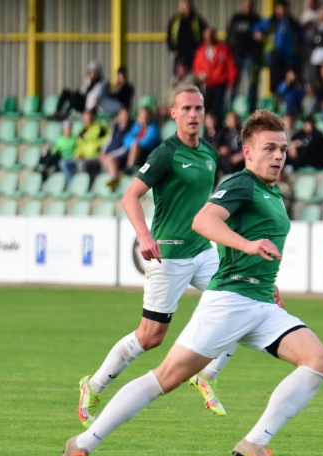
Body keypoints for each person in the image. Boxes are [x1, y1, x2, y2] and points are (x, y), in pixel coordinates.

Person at [61, 109, 323, 456]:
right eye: (269, 148)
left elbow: (252, 239)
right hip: (229, 303)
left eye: (283, 149)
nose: (278, 156)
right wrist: (247, 246)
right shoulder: (241, 183)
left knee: (318, 361)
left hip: (260, 303)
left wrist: (265, 278)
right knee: (165, 379)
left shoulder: (272, 190)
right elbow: (203, 221)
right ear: (248, 152)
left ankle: (256, 442)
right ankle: (82, 444)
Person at [74, 85, 231, 432]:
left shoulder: (209, 153)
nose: (194, 114)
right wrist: (144, 235)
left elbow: (206, 207)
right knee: (150, 337)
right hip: (169, 255)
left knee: (240, 300)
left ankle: (207, 375)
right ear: (173, 114)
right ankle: (94, 386)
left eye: (199, 108)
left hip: (203, 251)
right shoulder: (165, 153)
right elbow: (130, 196)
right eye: (186, 108)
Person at [254, 0, 301, 93]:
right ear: (276, 9)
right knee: (275, 85)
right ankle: (275, 103)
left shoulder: (292, 23)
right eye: (280, 8)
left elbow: (300, 37)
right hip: (275, 58)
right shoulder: (271, 22)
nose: (282, 10)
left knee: (290, 84)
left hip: (289, 59)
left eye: (284, 8)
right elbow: (256, 28)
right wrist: (257, 33)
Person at [193, 27, 238, 121]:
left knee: (217, 108)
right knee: (206, 108)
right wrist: (200, 75)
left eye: (210, 36)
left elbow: (231, 66)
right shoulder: (201, 51)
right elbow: (197, 66)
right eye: (206, 37)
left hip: (220, 83)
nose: (208, 39)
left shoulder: (223, 49)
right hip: (207, 84)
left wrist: (232, 81)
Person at [227, 0, 262, 112]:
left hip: (250, 57)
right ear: (242, 4)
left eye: (250, 3)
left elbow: (260, 39)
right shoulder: (235, 19)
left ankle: (252, 108)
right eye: (246, 3)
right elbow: (229, 36)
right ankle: (231, 108)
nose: (248, 5)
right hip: (236, 56)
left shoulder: (256, 19)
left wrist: (256, 54)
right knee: (233, 84)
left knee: (252, 84)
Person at [168, 0, 207, 74]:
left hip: (194, 56)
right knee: (179, 80)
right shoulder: (175, 21)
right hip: (179, 55)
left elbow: (205, 35)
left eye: (188, 6)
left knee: (193, 79)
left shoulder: (197, 20)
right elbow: (169, 36)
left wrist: (200, 51)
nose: (187, 8)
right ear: (181, 6)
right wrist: (172, 50)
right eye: (185, 6)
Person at [94, 107, 133, 181]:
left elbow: (125, 148)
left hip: (121, 157)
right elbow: (108, 141)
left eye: (127, 115)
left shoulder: (131, 128)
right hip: (109, 154)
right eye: (124, 115)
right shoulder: (116, 127)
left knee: (110, 159)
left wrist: (110, 154)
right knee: (93, 161)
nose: (126, 117)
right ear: (119, 116)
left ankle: (114, 181)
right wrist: (103, 152)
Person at [72, 110, 111, 180]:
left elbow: (108, 138)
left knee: (82, 164)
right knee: (66, 163)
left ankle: (89, 183)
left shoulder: (100, 127)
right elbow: (79, 145)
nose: (88, 119)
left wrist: (98, 145)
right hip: (85, 156)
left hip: (97, 156)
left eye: (89, 117)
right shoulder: (82, 131)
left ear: (93, 117)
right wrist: (77, 153)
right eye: (86, 118)